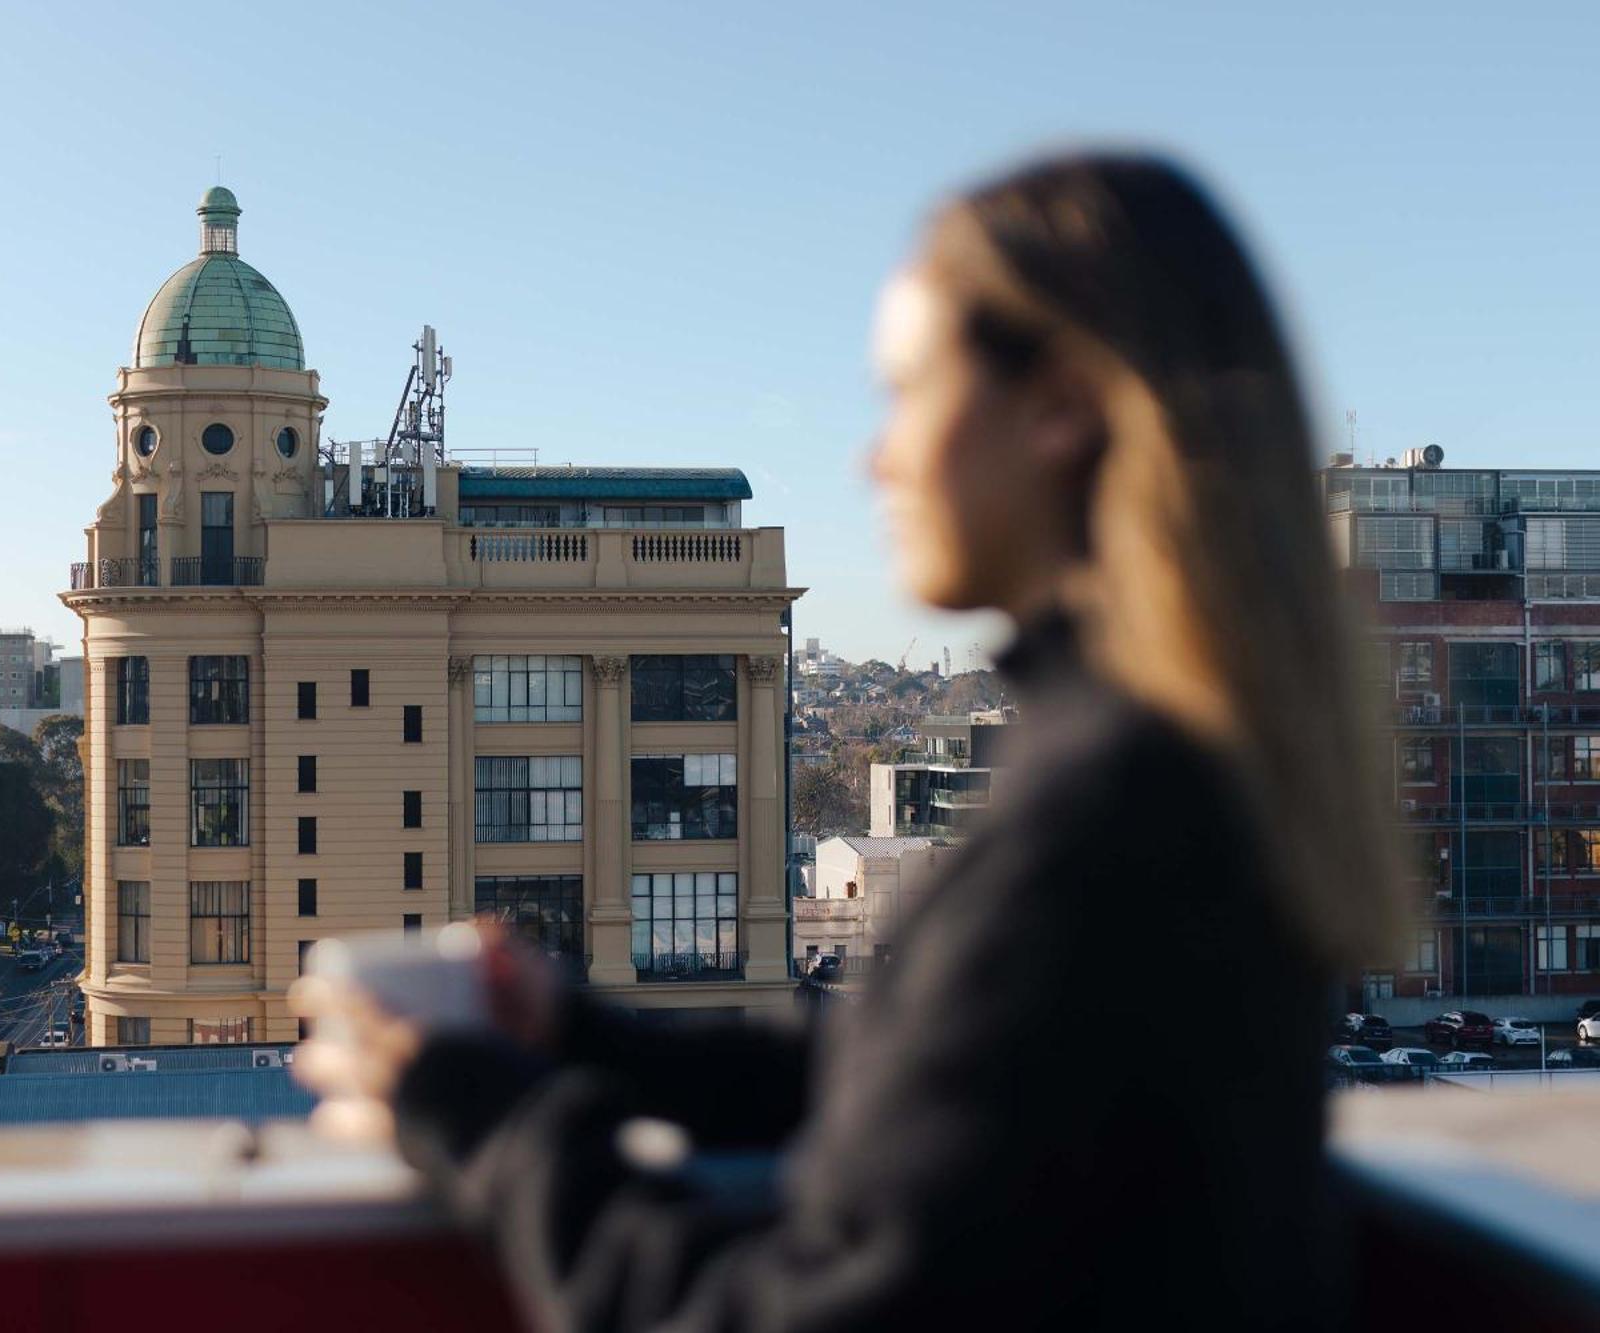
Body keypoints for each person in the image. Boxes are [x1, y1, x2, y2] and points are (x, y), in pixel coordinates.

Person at [292, 151, 1401, 1331]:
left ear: (1064, 405)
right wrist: (574, 1034)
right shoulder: (1168, 767)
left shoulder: (1103, 825)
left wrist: (487, 1123)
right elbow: (931, 1094)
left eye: (909, 391)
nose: (874, 456)